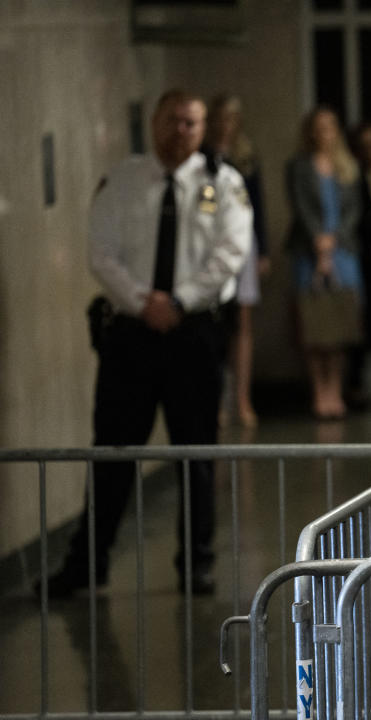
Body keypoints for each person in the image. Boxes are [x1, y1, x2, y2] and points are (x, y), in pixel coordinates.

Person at [40, 89, 252, 597]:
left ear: (203, 129)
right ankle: (87, 564)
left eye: (192, 124)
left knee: (196, 455)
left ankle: (196, 563)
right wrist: (144, 302)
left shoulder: (223, 183)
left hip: (195, 333)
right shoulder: (124, 181)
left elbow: (230, 253)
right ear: (156, 122)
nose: (182, 132)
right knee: (112, 452)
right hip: (132, 335)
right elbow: (100, 252)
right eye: (174, 121)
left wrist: (178, 301)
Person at [286, 106, 362, 420]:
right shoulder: (298, 166)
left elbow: (354, 209)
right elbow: (300, 206)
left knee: (339, 325)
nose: (324, 133)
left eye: (330, 126)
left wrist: (333, 240)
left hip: (342, 251)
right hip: (308, 250)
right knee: (315, 325)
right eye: (318, 127)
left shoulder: (348, 166)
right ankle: (319, 391)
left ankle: (335, 391)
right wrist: (318, 241)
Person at [205, 94, 268, 428]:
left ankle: (241, 399)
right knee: (214, 321)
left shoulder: (245, 158)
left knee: (242, 323)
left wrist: (264, 251)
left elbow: (257, 206)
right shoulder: (200, 158)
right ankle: (216, 398)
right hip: (208, 246)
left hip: (243, 243)